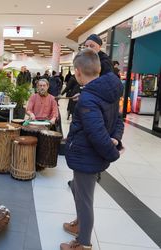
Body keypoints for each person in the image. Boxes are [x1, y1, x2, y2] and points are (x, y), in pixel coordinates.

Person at [60, 49, 124, 250]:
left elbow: (97, 134)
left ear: (78, 72)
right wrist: (115, 138)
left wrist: (114, 151)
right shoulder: (106, 90)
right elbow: (118, 120)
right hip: (86, 155)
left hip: (87, 156)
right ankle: (80, 224)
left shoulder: (90, 98)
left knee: (85, 199)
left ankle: (84, 243)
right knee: (78, 191)